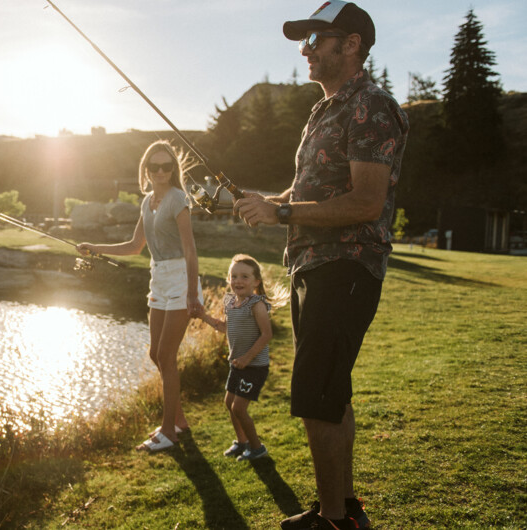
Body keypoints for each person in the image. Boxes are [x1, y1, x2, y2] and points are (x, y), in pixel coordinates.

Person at [233, 2, 409, 529]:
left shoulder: (372, 106)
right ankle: (344, 509)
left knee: (316, 394)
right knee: (332, 392)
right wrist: (270, 202)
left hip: (346, 266)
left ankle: (332, 521)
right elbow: (311, 188)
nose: (305, 50)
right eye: (303, 41)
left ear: (350, 44)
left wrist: (282, 213)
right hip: (314, 266)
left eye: (315, 39)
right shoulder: (323, 111)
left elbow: (366, 202)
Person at [76, 139, 203, 452]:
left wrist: (192, 293)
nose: (160, 171)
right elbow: (135, 246)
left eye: (166, 166)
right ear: (146, 169)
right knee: (155, 354)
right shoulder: (147, 202)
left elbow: (190, 250)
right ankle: (179, 421)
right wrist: (94, 247)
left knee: (166, 356)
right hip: (158, 278)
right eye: (154, 166)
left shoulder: (178, 199)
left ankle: (168, 432)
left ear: (173, 168)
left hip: (180, 280)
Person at [194, 254, 274, 462]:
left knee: (239, 407)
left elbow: (266, 334)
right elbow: (225, 328)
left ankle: (257, 448)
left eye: (245, 277)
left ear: (256, 282)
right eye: (234, 276)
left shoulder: (257, 304)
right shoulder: (230, 302)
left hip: (254, 366)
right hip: (237, 364)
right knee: (229, 403)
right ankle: (242, 442)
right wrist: (203, 316)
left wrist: (247, 358)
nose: (238, 281)